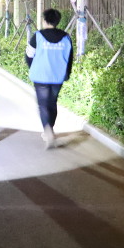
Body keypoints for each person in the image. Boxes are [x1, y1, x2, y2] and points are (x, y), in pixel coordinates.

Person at [25, 8, 73, 148]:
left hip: (40, 76)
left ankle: (48, 131)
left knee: (43, 104)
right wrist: (67, 74)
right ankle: (50, 130)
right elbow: (70, 58)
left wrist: (33, 67)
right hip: (58, 76)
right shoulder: (66, 38)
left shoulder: (37, 36)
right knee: (52, 103)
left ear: (44, 20)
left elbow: (29, 55)